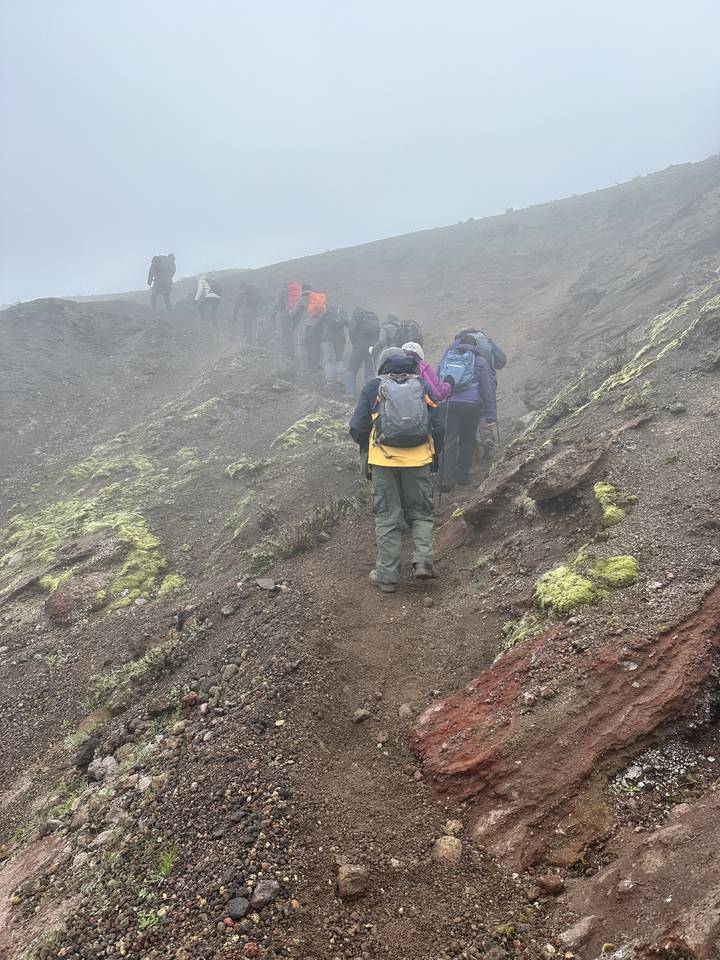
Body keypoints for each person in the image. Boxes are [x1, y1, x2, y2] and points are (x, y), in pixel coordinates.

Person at [349, 347, 445, 593]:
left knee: (387, 516)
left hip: (384, 461)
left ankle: (387, 576)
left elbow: (357, 426)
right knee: (421, 513)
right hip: (419, 459)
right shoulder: (422, 385)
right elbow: (439, 424)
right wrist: (435, 454)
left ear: (382, 364)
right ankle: (423, 562)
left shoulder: (374, 387)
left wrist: (367, 448)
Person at [437, 335, 497, 491]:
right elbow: (488, 389)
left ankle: (445, 480)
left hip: (449, 402)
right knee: (467, 439)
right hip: (471, 405)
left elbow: (438, 381)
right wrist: (491, 413)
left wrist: (438, 405)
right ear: (475, 345)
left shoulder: (447, 358)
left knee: (448, 440)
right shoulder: (480, 361)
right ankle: (462, 477)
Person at [289, 285, 328, 374]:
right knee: (318, 344)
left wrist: (292, 314)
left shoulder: (303, 299)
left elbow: (294, 313)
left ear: (303, 291)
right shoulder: (318, 298)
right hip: (321, 325)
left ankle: (312, 368)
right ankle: (320, 363)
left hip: (309, 326)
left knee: (310, 346)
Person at [345, 308, 380, 396]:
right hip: (371, 347)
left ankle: (350, 392)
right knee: (369, 371)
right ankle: (372, 393)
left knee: (351, 369)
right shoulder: (373, 318)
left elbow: (352, 331)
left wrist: (355, 343)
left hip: (359, 346)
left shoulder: (357, 317)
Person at [270, 281, 304, 357]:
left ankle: (287, 353)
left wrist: (272, 317)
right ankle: (292, 352)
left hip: (285, 315)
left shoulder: (282, 291)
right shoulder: (298, 292)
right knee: (291, 332)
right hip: (296, 314)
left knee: (286, 334)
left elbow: (276, 304)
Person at [319, 305, 348, 388]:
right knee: (339, 358)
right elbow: (349, 324)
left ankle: (329, 381)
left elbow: (318, 324)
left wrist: (307, 338)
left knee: (328, 359)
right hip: (340, 339)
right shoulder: (342, 313)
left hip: (327, 338)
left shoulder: (327, 313)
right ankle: (339, 377)